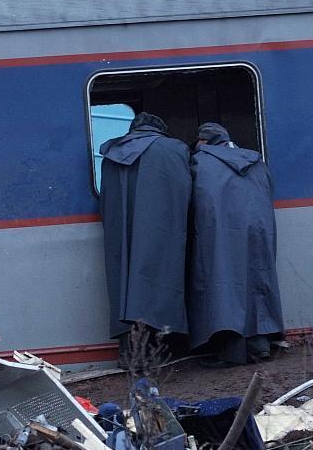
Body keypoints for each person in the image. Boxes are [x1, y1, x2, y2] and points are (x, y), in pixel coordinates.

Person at [99, 112, 192, 368]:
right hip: (162, 230)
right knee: (160, 283)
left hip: (119, 234)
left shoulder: (111, 154)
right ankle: (161, 352)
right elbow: (185, 194)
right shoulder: (173, 150)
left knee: (124, 287)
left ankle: (130, 355)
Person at [187, 122, 284, 367]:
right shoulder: (256, 161)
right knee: (256, 283)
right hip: (258, 231)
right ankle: (260, 345)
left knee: (225, 287)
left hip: (220, 232)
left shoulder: (201, 162)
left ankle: (233, 352)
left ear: (204, 141)